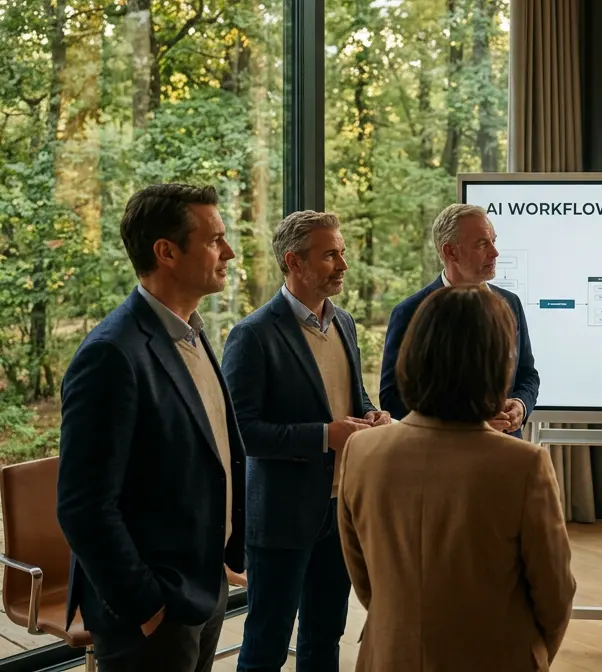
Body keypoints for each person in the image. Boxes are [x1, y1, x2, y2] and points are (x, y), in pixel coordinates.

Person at [57, 184, 245, 672]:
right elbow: (83, 506)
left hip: (203, 584)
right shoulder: (110, 355)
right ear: (167, 252)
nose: (228, 252)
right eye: (214, 240)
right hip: (154, 608)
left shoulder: (192, 332)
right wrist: (146, 606)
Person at [339, 285, 575, 671]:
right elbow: (555, 594)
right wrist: (532, 655)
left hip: (389, 656)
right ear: (495, 363)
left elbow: (366, 582)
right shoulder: (523, 464)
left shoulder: (361, 451)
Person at [223, 211, 389, 672]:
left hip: (341, 509)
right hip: (281, 516)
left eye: (342, 252)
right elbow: (243, 432)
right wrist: (324, 436)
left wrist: (371, 414)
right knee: (267, 644)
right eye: (330, 254)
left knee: (325, 637)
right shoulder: (252, 335)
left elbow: (352, 397)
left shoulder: (344, 323)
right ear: (293, 261)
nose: (343, 264)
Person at [379, 203, 539, 435]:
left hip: (508, 447)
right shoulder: (410, 312)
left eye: (493, 241)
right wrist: (468, 423)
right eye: (482, 244)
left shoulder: (510, 303)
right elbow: (392, 398)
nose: (495, 252)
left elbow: (527, 374)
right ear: (450, 252)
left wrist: (520, 405)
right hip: (442, 451)